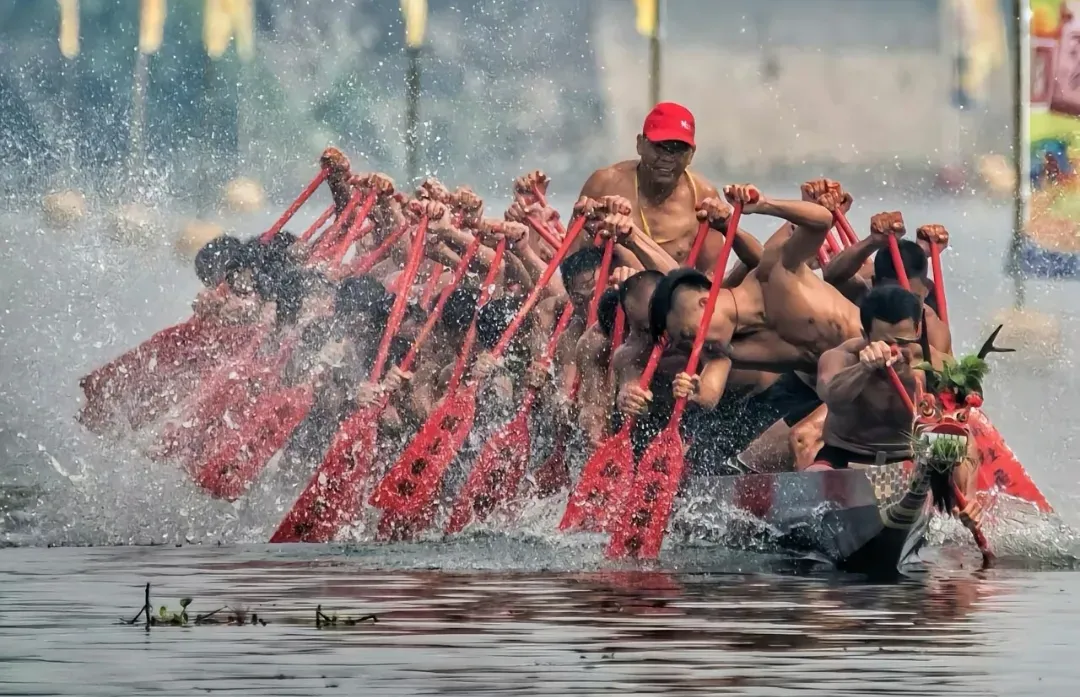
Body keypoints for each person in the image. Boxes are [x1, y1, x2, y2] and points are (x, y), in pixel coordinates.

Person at [570, 102, 727, 272]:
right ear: (640, 144)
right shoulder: (604, 183)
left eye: (678, 149)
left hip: (672, 296)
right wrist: (592, 226)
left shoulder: (704, 196)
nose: (667, 158)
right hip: (614, 294)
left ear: (691, 154)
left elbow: (710, 278)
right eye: (660, 147)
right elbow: (571, 261)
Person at [812, 285, 926, 469]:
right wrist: (864, 369)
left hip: (907, 458)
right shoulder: (843, 357)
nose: (895, 350)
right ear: (865, 335)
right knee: (815, 476)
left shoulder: (930, 363)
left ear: (916, 331)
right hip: (844, 455)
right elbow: (831, 398)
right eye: (886, 342)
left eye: (904, 342)